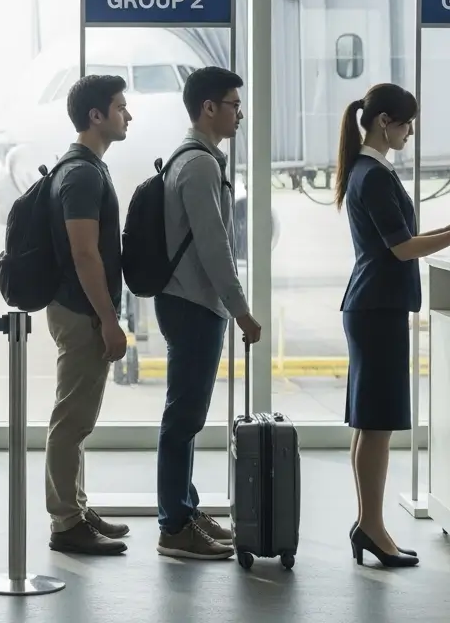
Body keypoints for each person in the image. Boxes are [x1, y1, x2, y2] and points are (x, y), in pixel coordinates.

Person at [333, 82, 450, 569]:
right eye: (407, 124)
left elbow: (403, 239)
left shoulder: (367, 170)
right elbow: (402, 249)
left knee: (370, 423)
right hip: (376, 308)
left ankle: (368, 524)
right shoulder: (375, 175)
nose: (410, 133)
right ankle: (373, 527)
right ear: (386, 121)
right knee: (377, 425)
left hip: (372, 306)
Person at [152, 67, 262, 560]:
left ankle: (185, 508)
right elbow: (215, 248)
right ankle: (173, 526)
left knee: (189, 415)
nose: (240, 113)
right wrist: (241, 310)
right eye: (234, 104)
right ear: (209, 108)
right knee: (183, 417)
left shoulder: (197, 160)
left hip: (193, 301)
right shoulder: (198, 166)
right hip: (193, 302)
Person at [43, 74, 133, 556]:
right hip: (81, 311)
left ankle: (75, 508)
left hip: (80, 309)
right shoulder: (81, 174)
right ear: (96, 116)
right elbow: (84, 254)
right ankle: (65, 522)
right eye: (120, 107)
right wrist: (108, 319)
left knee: (77, 418)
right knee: (71, 419)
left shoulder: (86, 168)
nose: (128, 115)